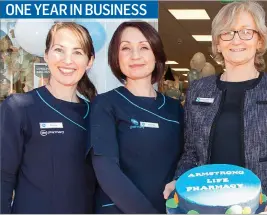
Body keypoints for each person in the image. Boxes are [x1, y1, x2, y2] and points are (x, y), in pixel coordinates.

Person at [163, 1, 267, 214]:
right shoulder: (199, 90)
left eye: (246, 32)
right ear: (218, 43)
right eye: (227, 32)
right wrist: (180, 181)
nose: (236, 39)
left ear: (259, 40)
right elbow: (191, 154)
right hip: (204, 207)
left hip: (259, 207)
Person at [0, 22, 97, 213]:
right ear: (46, 55)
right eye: (59, 50)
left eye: (77, 52)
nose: (67, 60)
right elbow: (3, 176)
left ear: (90, 61)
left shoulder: (96, 114)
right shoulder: (19, 108)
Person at [89, 21, 183, 214]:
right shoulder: (105, 104)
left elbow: (187, 160)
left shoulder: (175, 110)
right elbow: (106, 170)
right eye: (125, 48)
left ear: (156, 54)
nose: (135, 56)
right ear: (116, 57)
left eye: (143, 47)